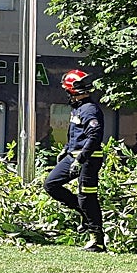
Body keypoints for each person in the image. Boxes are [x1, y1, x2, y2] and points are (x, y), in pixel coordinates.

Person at [43, 69, 106, 253]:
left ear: (71, 90)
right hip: (73, 155)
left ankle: (97, 241)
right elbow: (76, 134)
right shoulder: (78, 108)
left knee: (87, 197)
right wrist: (66, 149)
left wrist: (80, 159)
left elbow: (94, 137)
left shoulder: (90, 110)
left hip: (89, 159)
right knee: (51, 184)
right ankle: (83, 213)